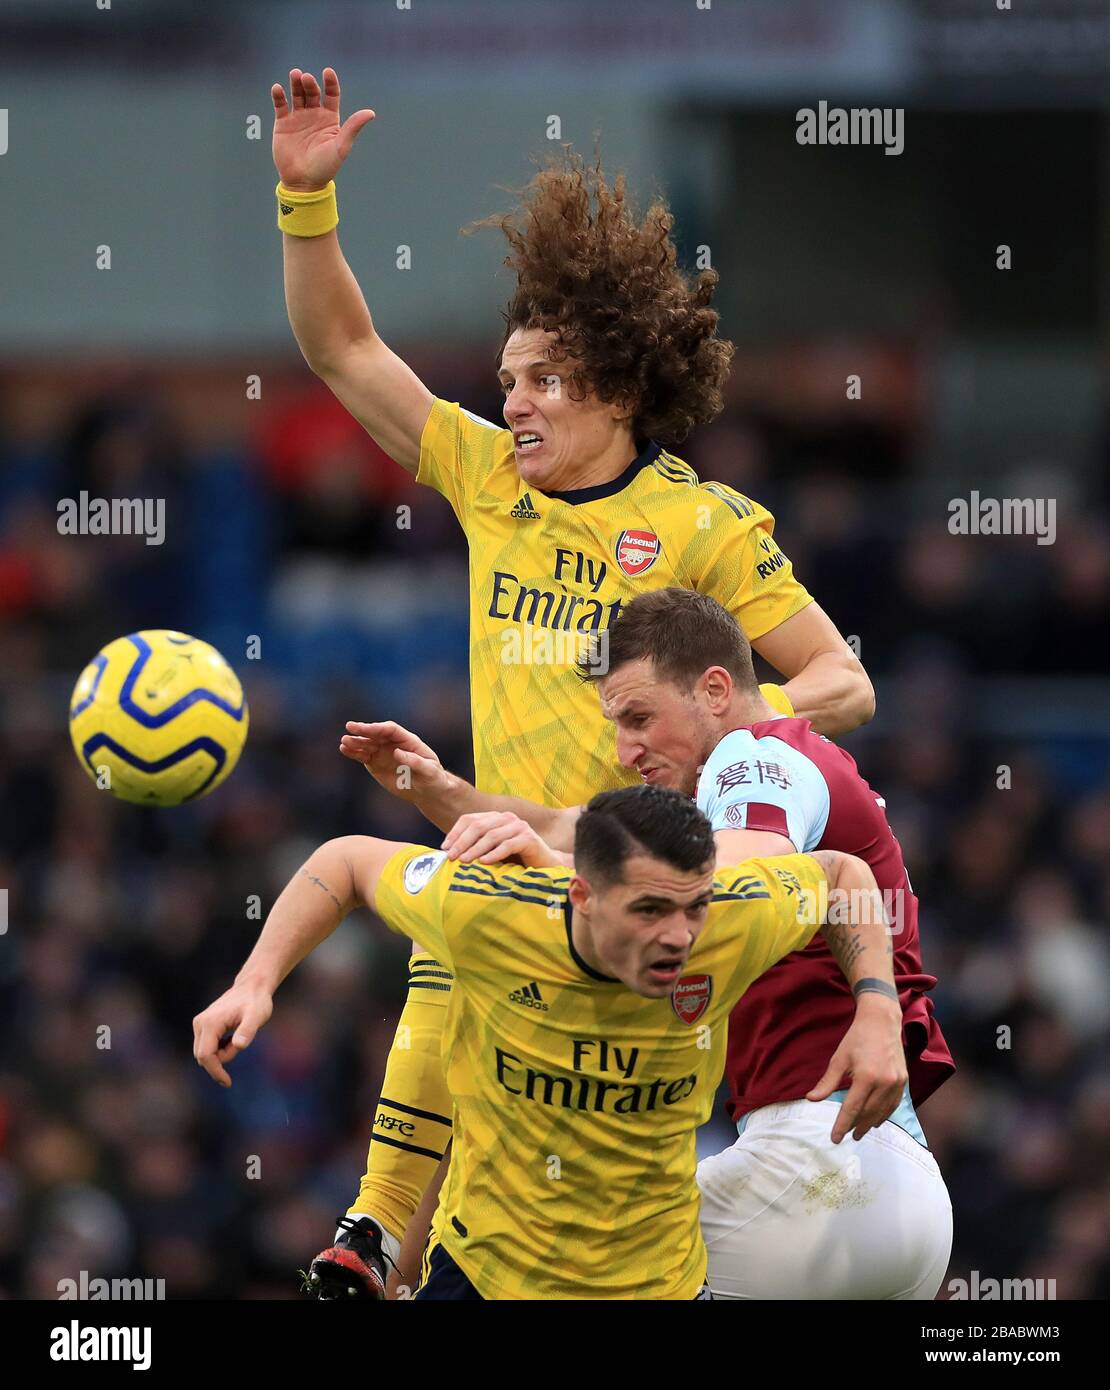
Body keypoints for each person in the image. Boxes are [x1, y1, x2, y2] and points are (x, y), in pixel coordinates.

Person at [271, 66, 875, 1290]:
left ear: (616, 387)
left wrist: (716, 728)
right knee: (456, 942)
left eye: (540, 381)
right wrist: (304, 204)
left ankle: (393, 1224)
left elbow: (843, 682)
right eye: (505, 380)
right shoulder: (490, 478)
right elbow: (343, 347)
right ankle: (383, 1228)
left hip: (634, 884)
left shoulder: (698, 524)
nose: (513, 401)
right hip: (518, 853)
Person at [343, 589, 954, 1299]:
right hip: (881, 1196)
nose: (624, 749)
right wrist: (437, 786)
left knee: (541, 1255)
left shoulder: (755, 764)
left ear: (716, 690)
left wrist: (535, 888)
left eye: (639, 718)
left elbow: (722, 890)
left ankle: (382, 1231)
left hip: (815, 1174)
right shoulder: (734, 788)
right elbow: (565, 828)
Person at [193, 785, 905, 1300]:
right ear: (582, 895)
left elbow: (842, 874)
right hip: (484, 1278)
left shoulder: (732, 922)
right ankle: (375, 1224)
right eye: (650, 909)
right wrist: (255, 982)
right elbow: (346, 861)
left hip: (655, 1288)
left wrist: (877, 1008)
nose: (680, 936)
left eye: (694, 907)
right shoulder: (487, 912)